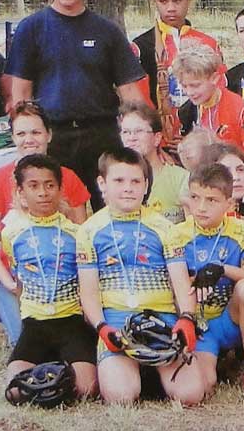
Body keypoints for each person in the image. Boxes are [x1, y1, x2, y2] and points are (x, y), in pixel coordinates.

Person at [6, 0, 146, 203]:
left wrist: (144, 134)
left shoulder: (107, 30)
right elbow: (21, 94)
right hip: (53, 137)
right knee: (55, 209)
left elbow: (129, 91)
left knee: (112, 207)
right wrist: (26, 137)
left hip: (102, 135)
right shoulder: (30, 29)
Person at [77, 149, 209, 405]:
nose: (128, 188)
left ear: (146, 185)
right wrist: (102, 327)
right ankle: (137, 372)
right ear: (102, 183)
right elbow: (88, 292)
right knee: (121, 397)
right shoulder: (89, 231)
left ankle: (151, 370)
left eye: (136, 181)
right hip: (117, 321)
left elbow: (181, 283)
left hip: (161, 319)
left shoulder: (164, 228)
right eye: (119, 181)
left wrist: (186, 318)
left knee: (191, 395)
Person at [0, 102, 91, 346]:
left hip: (64, 278)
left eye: (36, 132)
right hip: (16, 278)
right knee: (27, 346)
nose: (29, 139)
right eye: (21, 133)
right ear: (12, 137)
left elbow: (83, 237)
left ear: (49, 135)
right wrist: (9, 283)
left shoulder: (68, 178)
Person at [175, 162, 244, 394]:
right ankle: (214, 363)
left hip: (228, 320)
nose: (201, 207)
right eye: (195, 197)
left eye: (211, 200)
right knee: (205, 385)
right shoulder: (178, 234)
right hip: (198, 324)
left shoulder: (239, 229)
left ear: (230, 203)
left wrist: (222, 269)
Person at [0, 154, 98, 402]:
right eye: (33, 186)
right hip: (35, 324)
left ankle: (59, 368)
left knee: (86, 389)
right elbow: (19, 279)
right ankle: (51, 367)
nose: (43, 193)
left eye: (49, 185)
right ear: (21, 192)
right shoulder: (12, 234)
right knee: (15, 391)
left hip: (71, 322)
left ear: (60, 190)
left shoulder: (77, 234)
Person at [131, 0, 225, 146]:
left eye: (177, 0)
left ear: (188, 0)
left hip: (204, 140)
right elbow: (139, 101)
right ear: (153, 1)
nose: (171, 8)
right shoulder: (141, 46)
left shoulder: (208, 44)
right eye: (163, 1)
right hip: (160, 141)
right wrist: (158, 136)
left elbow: (220, 92)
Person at [173, 44, 244, 170]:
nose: (189, 92)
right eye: (184, 86)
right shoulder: (188, 110)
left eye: (195, 85)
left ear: (215, 78)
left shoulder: (240, 109)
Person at [117, 101, 188, 224]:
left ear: (157, 138)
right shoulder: (115, 181)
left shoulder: (180, 179)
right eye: (126, 132)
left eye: (139, 131)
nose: (131, 138)